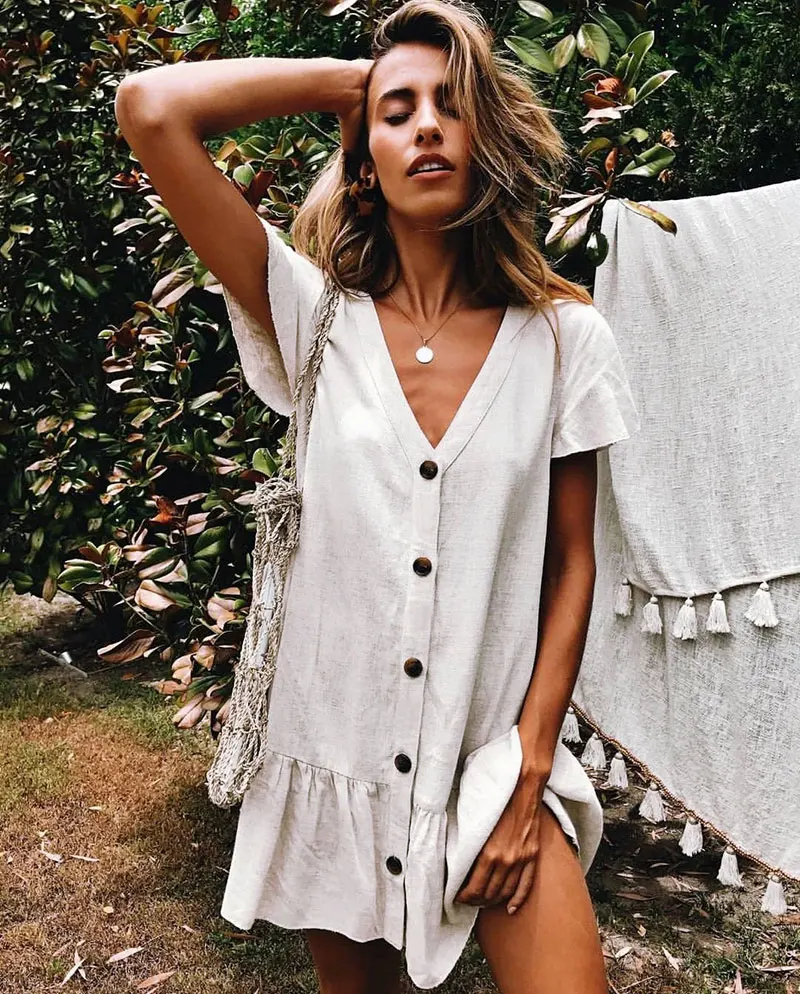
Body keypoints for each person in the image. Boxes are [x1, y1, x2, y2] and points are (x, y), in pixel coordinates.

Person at [114, 1, 640, 991]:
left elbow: (573, 565)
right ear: (364, 161)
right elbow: (149, 107)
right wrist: (347, 84)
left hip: (489, 765)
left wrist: (530, 768)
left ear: (487, 139)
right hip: (335, 767)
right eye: (399, 113)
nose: (427, 126)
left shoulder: (564, 341)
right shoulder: (311, 318)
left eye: (453, 104)